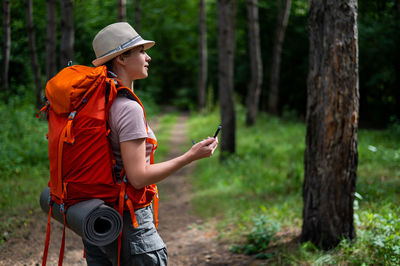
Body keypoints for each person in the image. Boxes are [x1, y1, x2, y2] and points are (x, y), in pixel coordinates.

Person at [83, 22, 218, 266]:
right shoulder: (128, 108)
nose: (148, 57)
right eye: (141, 51)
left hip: (95, 222)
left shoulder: (95, 103)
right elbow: (138, 178)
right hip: (129, 225)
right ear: (122, 58)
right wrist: (189, 156)